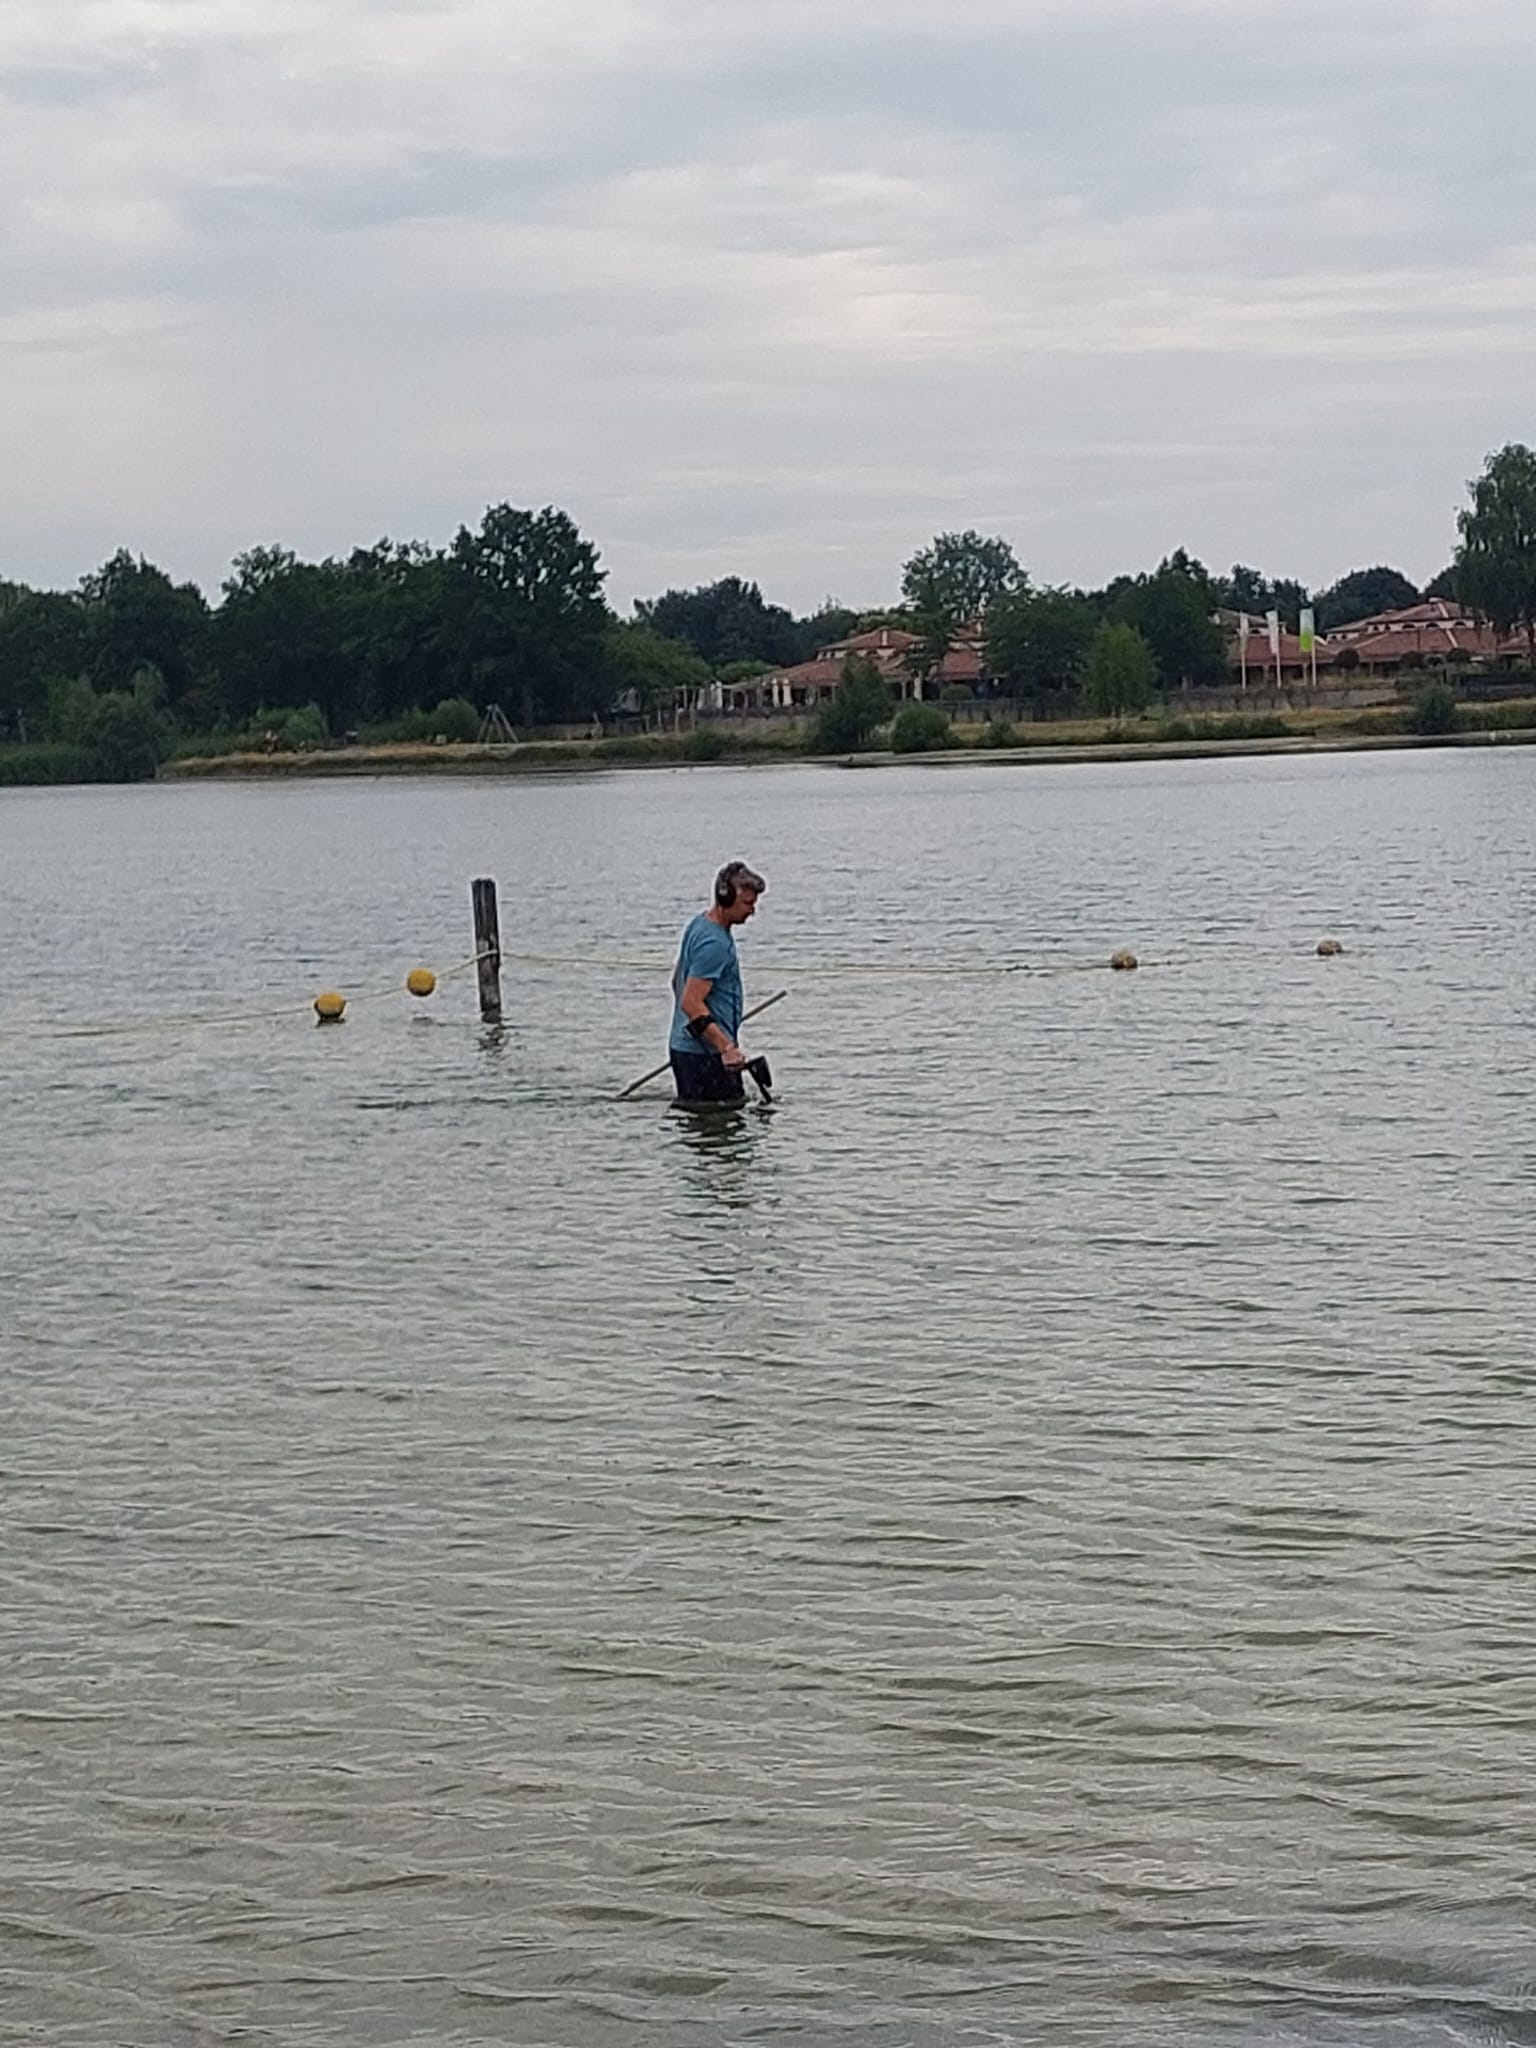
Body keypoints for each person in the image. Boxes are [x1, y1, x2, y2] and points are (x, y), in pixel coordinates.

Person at [668, 861, 766, 1103]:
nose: (752, 911)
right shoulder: (714, 944)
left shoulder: (699, 924)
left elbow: (676, 982)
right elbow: (691, 1002)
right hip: (703, 1055)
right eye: (747, 903)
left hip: (690, 1049)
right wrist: (725, 1047)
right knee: (721, 1131)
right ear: (726, 897)